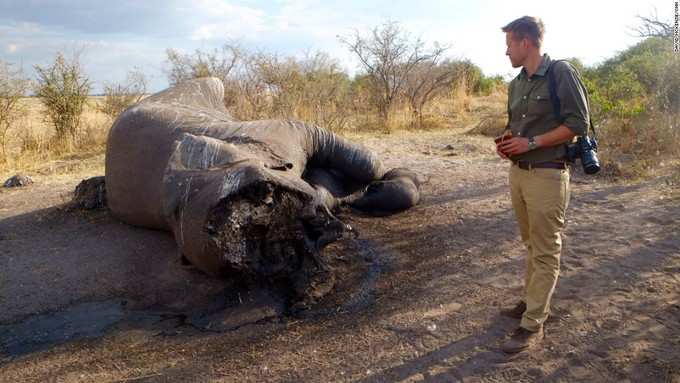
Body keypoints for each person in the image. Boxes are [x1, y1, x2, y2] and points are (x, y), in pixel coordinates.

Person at [496, 16, 589, 354]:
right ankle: (531, 301)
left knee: (546, 248)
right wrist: (507, 141)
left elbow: (578, 124)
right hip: (518, 173)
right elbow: (515, 127)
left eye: (509, 44)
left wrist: (531, 143)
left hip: (549, 174)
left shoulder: (561, 72)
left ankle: (533, 323)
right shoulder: (516, 83)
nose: (505, 51)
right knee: (531, 244)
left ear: (526, 42)